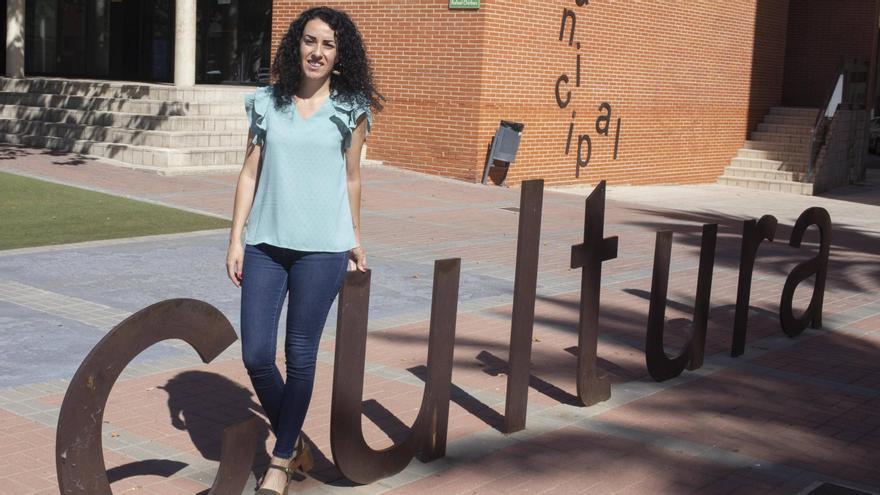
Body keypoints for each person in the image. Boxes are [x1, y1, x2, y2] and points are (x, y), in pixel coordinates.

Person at [225, 6, 382, 494]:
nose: (317, 51)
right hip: (265, 244)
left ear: (340, 55)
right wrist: (235, 237)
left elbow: (353, 177)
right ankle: (293, 442)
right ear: (297, 45)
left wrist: (356, 237)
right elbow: (249, 173)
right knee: (255, 355)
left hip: (323, 249)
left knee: (300, 355)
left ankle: (279, 459)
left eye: (328, 45)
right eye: (310, 41)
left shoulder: (351, 108)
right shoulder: (269, 103)